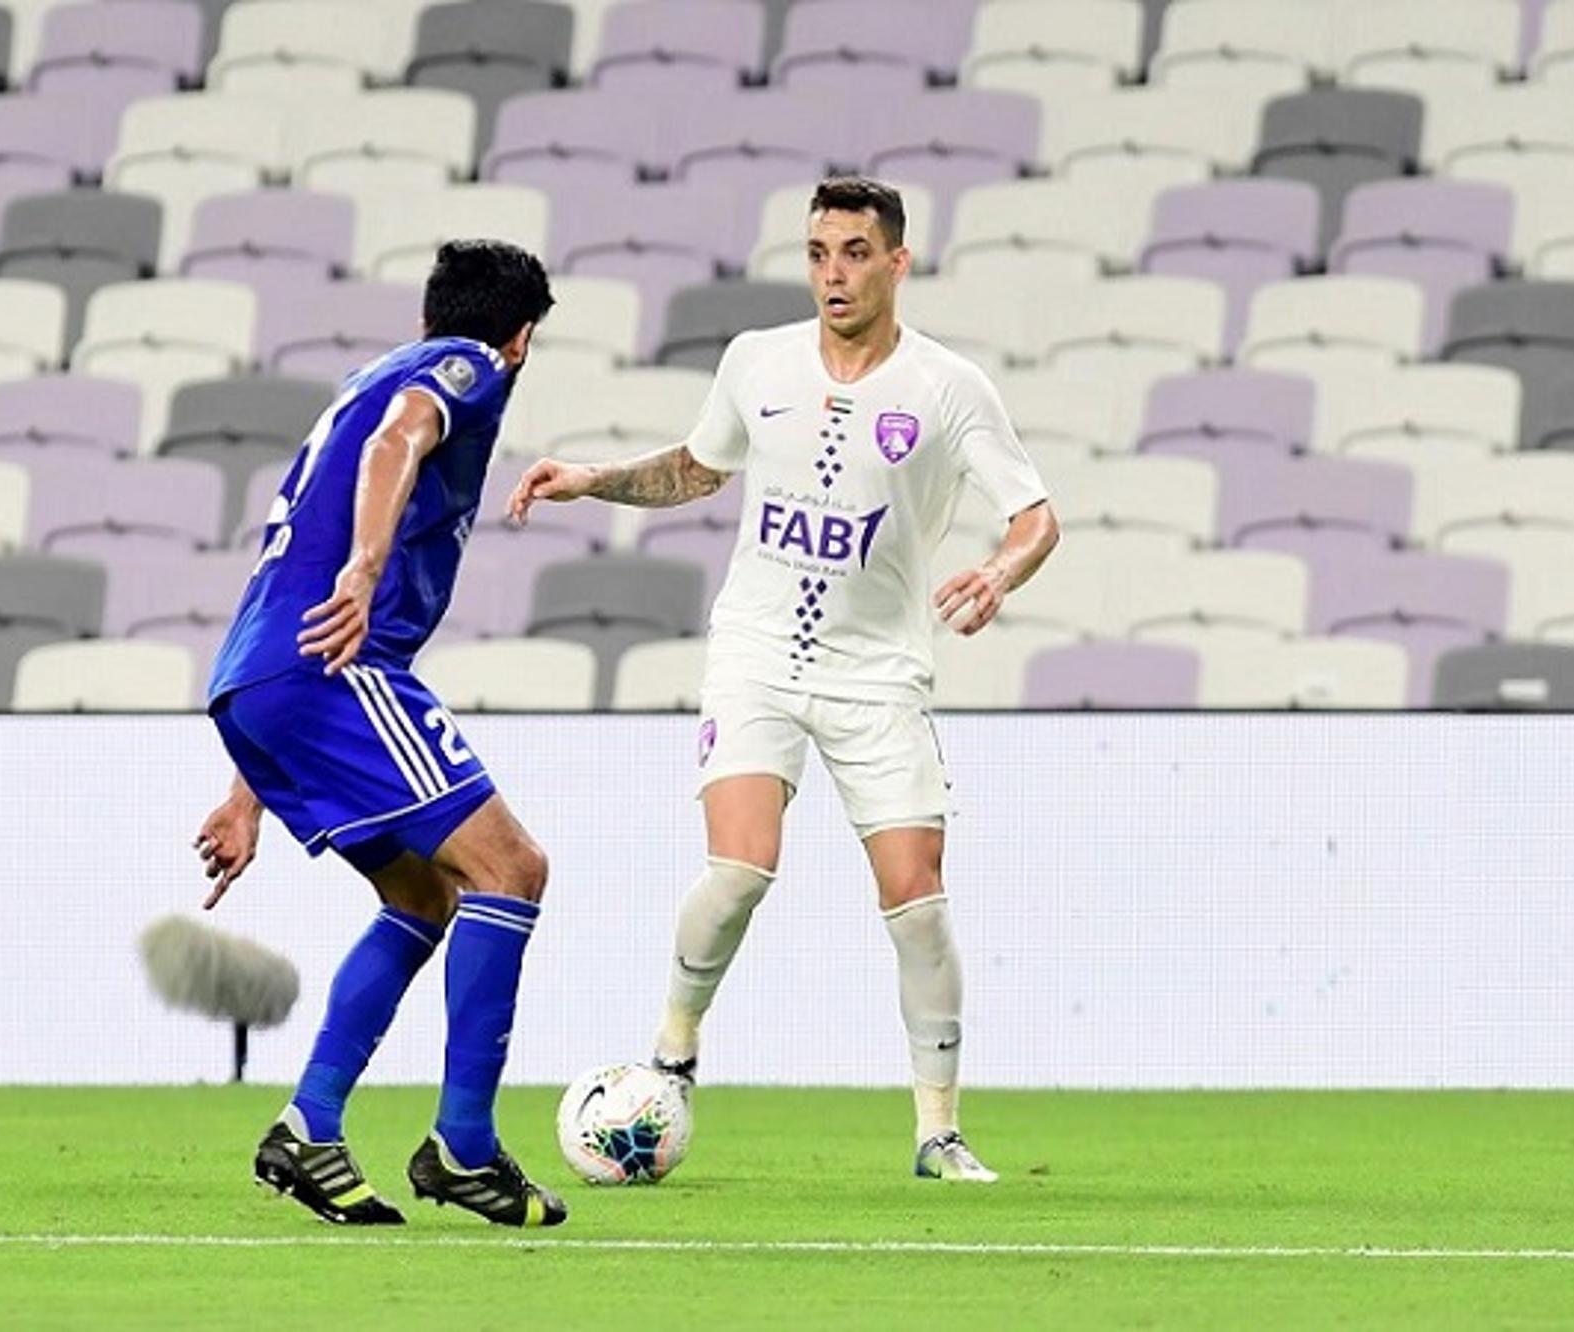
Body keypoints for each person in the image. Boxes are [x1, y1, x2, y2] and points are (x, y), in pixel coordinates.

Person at [509, 178, 1060, 1183]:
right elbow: (697, 468)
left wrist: (999, 570)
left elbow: (1035, 517)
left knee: (918, 898)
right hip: (758, 654)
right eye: (817, 253)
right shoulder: (755, 362)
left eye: (854, 252)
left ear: (899, 261)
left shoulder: (946, 388)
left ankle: (938, 1133)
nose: (832, 274)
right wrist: (593, 478)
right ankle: (674, 1050)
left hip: (879, 673)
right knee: (740, 870)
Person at [191, 239, 568, 1228]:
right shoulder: (470, 370)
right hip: (339, 666)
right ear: (522, 339)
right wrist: (364, 568)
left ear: (424, 316)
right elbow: (403, 438)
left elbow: (282, 575)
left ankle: (310, 1127)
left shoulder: (367, 374)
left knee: (420, 893)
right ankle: (466, 1149)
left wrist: (247, 787)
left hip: (261, 678)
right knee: (511, 870)